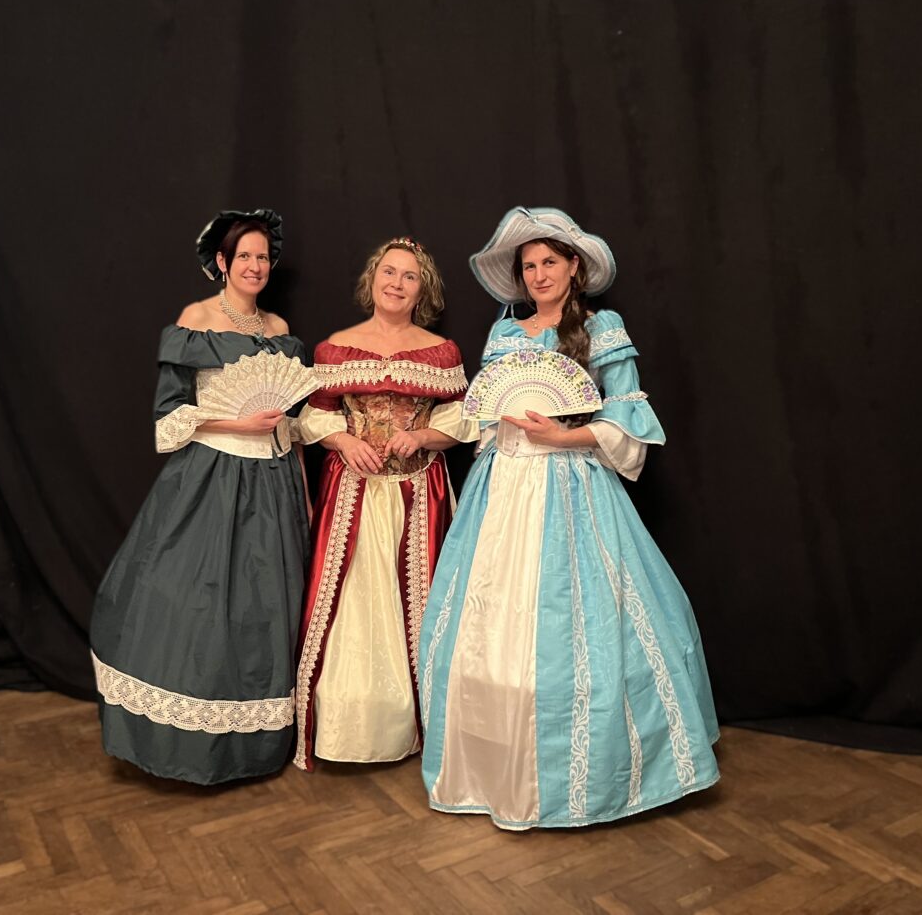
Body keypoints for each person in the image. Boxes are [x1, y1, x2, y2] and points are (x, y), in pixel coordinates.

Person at [419, 207, 719, 830]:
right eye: (529, 266)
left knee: (583, 624)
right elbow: (484, 412)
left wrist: (562, 437)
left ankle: (583, 775)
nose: (538, 275)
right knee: (487, 624)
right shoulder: (505, 334)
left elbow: (628, 417)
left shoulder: (601, 327)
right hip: (502, 488)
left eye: (549, 262)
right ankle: (495, 769)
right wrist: (493, 427)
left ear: (573, 266)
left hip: (573, 484)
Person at [89, 209, 310, 784]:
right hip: (211, 477)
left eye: (263, 257)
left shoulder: (280, 327)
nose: (256, 266)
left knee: (261, 609)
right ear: (222, 262)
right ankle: (183, 746)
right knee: (197, 605)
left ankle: (250, 748)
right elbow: (169, 418)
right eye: (245, 257)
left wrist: (297, 470)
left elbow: (288, 418)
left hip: (272, 482)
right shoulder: (197, 320)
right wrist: (237, 423)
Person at [293, 236, 475, 771]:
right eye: (388, 272)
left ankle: (413, 728)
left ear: (423, 289)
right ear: (372, 279)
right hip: (352, 492)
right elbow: (314, 414)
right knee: (350, 606)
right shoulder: (336, 348)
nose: (396, 283)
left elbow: (462, 416)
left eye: (409, 276)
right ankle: (345, 730)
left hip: (418, 493)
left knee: (415, 604)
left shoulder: (440, 353)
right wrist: (343, 441)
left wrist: (421, 437)